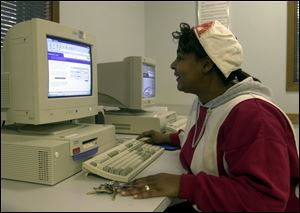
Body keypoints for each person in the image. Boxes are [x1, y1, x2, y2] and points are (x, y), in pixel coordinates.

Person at [117, 20, 299, 212]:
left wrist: (182, 185)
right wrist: (167, 138)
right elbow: (207, 140)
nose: (172, 65)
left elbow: (265, 201)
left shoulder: (253, 116)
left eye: (180, 58)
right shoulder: (209, 101)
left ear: (205, 65)